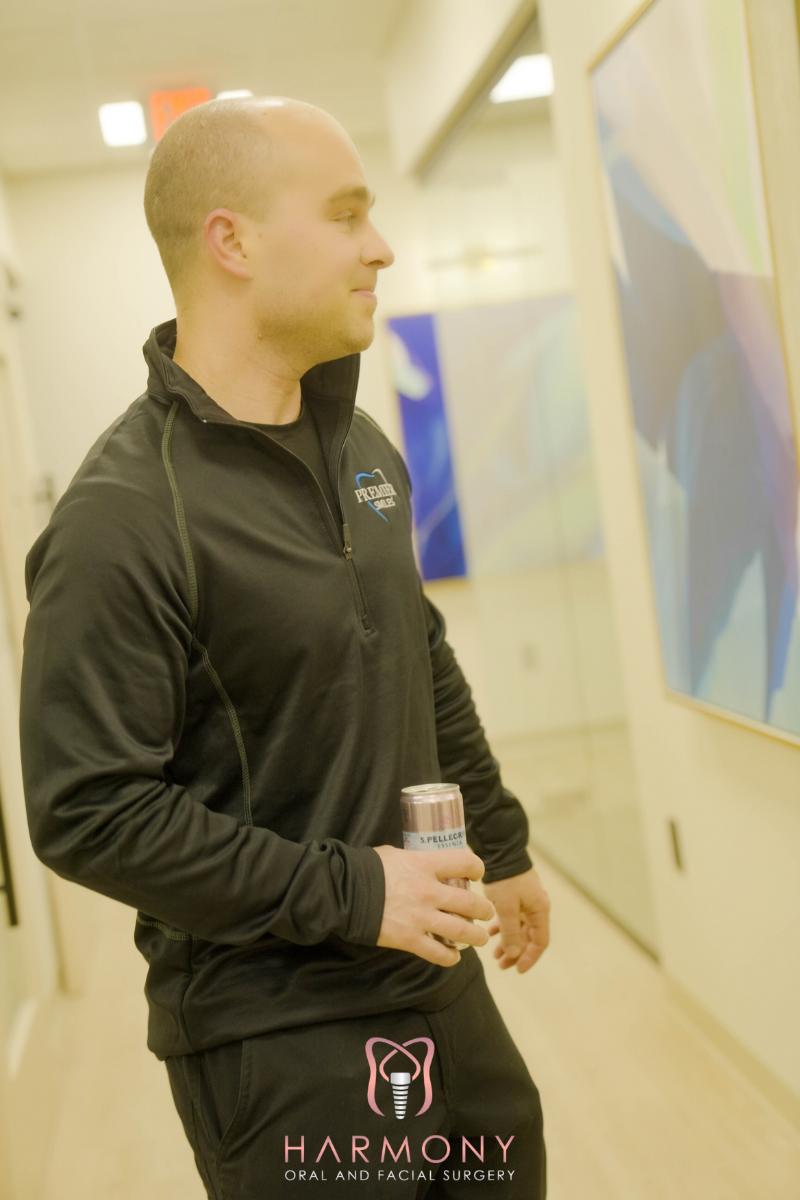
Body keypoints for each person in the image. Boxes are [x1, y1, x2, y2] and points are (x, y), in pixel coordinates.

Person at [18, 96, 551, 1198]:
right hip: (277, 1038)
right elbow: (87, 811)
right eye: (348, 214)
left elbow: (419, 650)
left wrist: (497, 840)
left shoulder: (357, 445)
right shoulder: (121, 518)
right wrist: (356, 895)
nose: (381, 246)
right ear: (233, 242)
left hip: (440, 986)